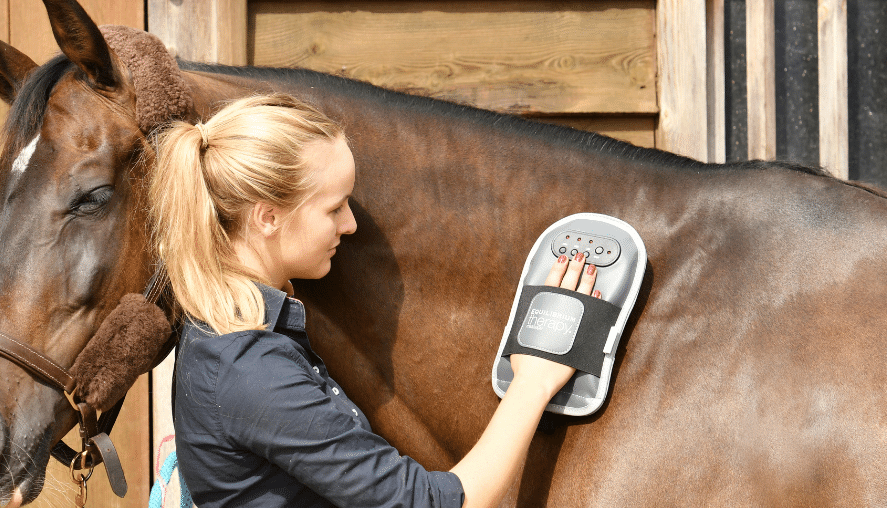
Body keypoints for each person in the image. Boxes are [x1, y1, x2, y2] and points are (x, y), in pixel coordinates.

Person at [149, 94, 602, 508]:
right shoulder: (250, 368)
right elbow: (429, 504)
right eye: (333, 208)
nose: (350, 224)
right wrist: (534, 382)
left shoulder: (225, 330)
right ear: (268, 217)